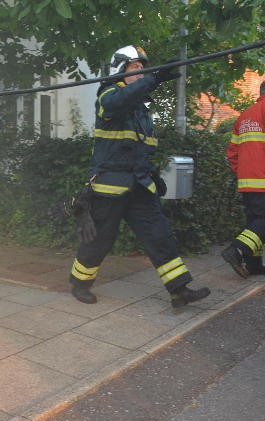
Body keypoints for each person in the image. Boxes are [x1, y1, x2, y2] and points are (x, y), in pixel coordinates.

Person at [68, 45, 210, 308]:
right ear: (120, 70)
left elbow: (137, 146)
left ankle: (179, 290)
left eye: (144, 68)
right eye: (136, 67)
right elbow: (120, 101)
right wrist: (154, 78)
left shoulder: (141, 109)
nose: (143, 72)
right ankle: (80, 283)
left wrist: (151, 173)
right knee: (99, 239)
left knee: (160, 234)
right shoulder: (108, 94)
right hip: (109, 187)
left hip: (139, 185)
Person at [221, 78, 265, 278]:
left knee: (254, 222)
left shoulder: (244, 115)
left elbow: (232, 152)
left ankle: (254, 265)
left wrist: (242, 171)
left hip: (246, 180)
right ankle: (236, 250)